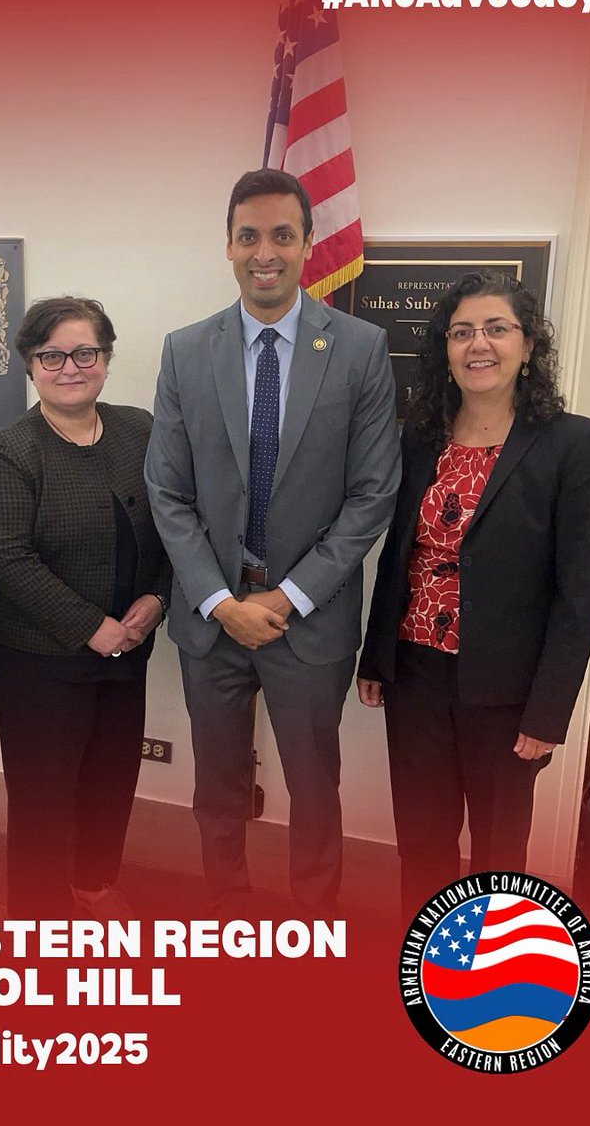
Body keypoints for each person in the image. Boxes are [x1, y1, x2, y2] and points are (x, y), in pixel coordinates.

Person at [145, 169, 401, 917]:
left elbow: (372, 495)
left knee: (315, 787)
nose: (266, 252)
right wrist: (222, 601)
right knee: (216, 783)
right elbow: (169, 492)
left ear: (307, 244)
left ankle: (314, 922)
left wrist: (285, 598)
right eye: (249, 235)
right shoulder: (186, 351)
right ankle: (226, 914)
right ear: (228, 244)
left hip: (308, 620)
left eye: (282, 235)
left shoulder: (358, 350)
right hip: (213, 618)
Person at [356, 270, 590, 919]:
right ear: (445, 347)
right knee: (422, 839)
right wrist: (374, 655)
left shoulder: (572, 443)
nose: (479, 344)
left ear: (528, 346)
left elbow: (577, 594)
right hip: (414, 675)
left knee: (499, 851)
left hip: (507, 690)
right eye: (463, 331)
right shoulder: (421, 437)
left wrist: (548, 712)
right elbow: (400, 554)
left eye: (497, 329)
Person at [0, 296, 171, 919]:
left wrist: (158, 599)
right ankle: (35, 916)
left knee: (112, 780)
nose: (70, 366)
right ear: (30, 366)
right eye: (51, 355)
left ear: (106, 359)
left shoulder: (139, 428)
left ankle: (93, 885)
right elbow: (7, 558)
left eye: (85, 352)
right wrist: (94, 628)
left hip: (129, 644)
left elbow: (173, 523)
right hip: (34, 654)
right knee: (43, 794)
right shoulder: (10, 450)